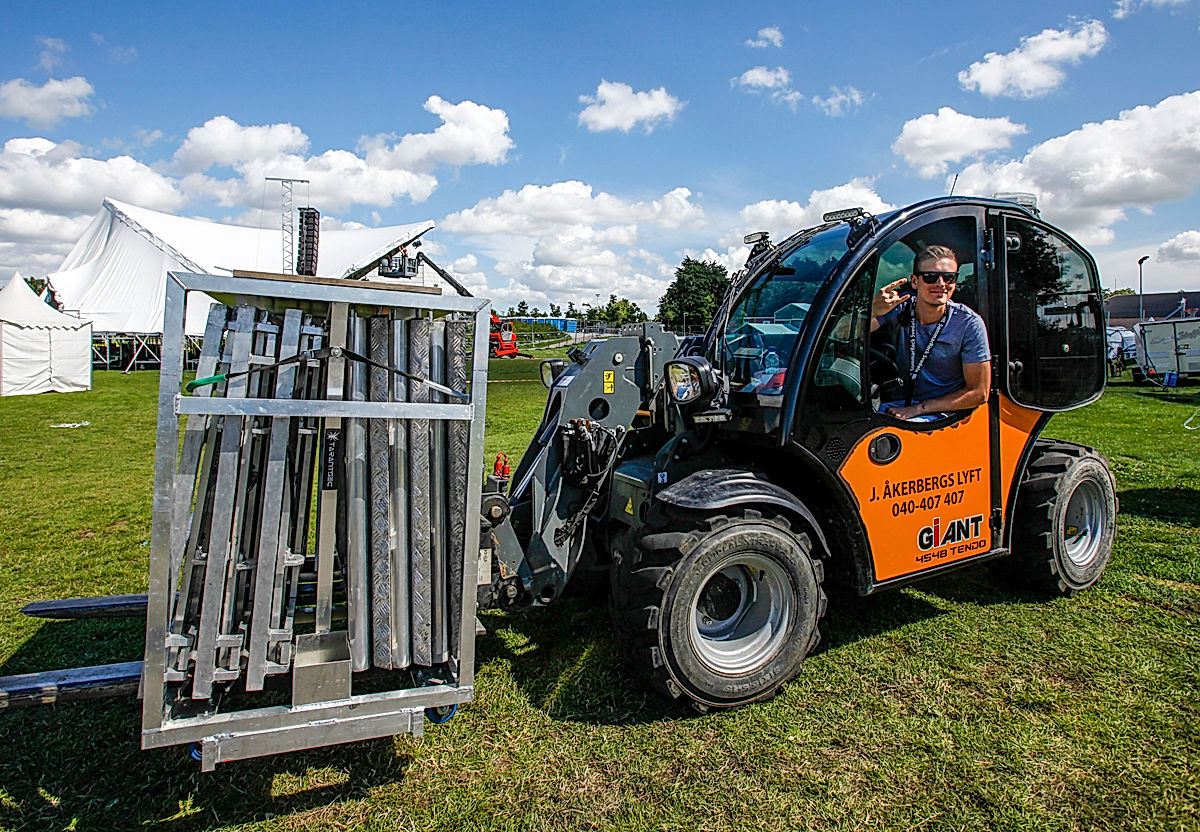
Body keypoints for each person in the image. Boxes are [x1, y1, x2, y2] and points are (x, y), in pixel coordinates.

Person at [870, 245, 990, 421]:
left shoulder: (968, 323)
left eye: (949, 277)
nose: (941, 283)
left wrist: (918, 409)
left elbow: (979, 393)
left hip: (942, 413)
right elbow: (842, 334)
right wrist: (872, 311)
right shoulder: (900, 308)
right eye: (930, 277)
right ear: (914, 281)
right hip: (901, 405)